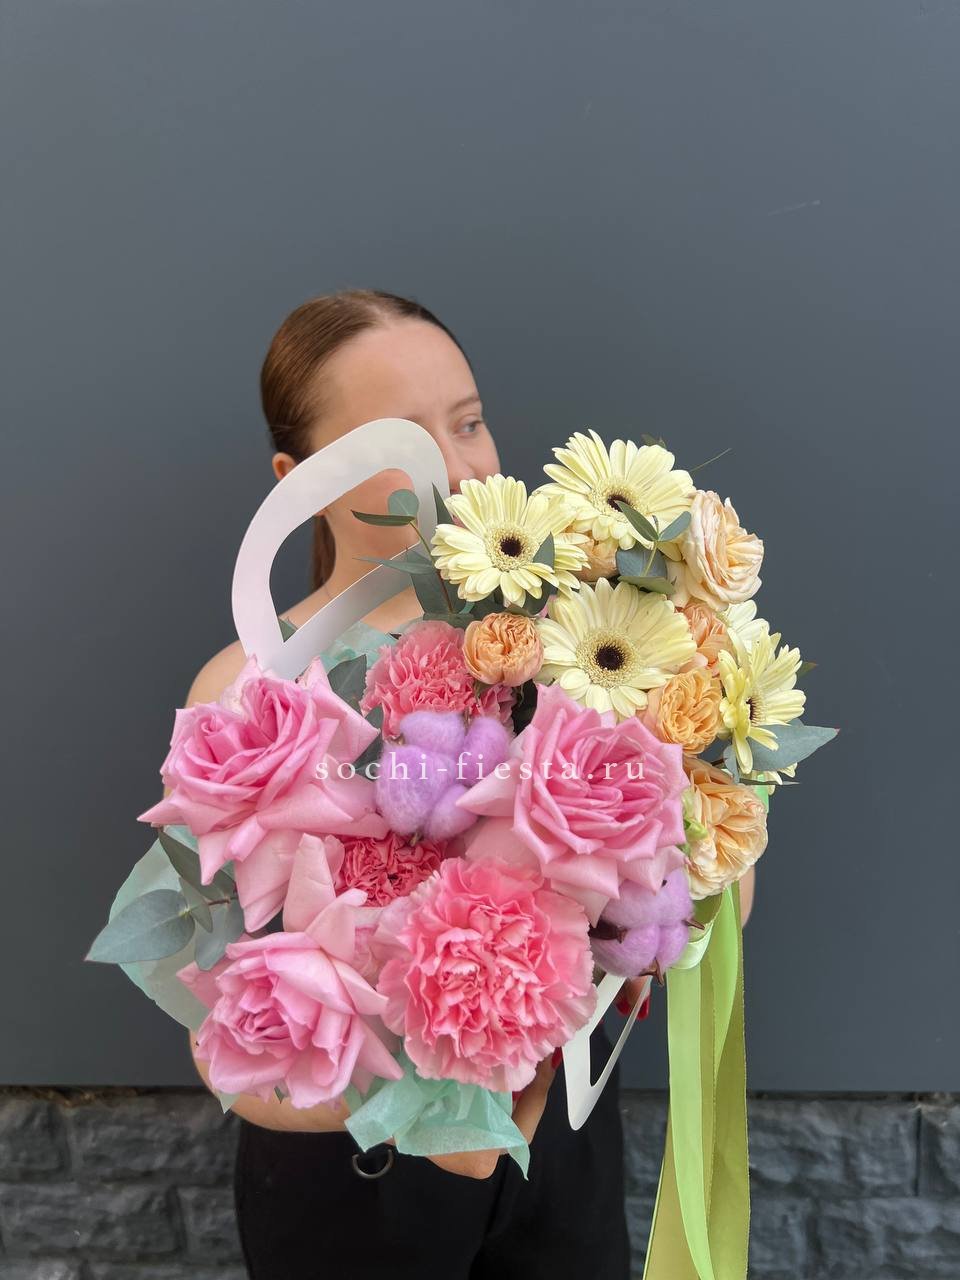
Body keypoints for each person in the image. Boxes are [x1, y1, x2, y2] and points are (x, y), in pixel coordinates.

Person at [182, 289, 756, 1278]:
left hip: (560, 1149)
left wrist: (714, 786)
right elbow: (218, 1044)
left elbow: (708, 918)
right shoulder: (251, 692)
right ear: (300, 481)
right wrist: (428, 1102)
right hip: (352, 1170)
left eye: (468, 420)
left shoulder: (583, 646)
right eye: (395, 441)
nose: (455, 468)